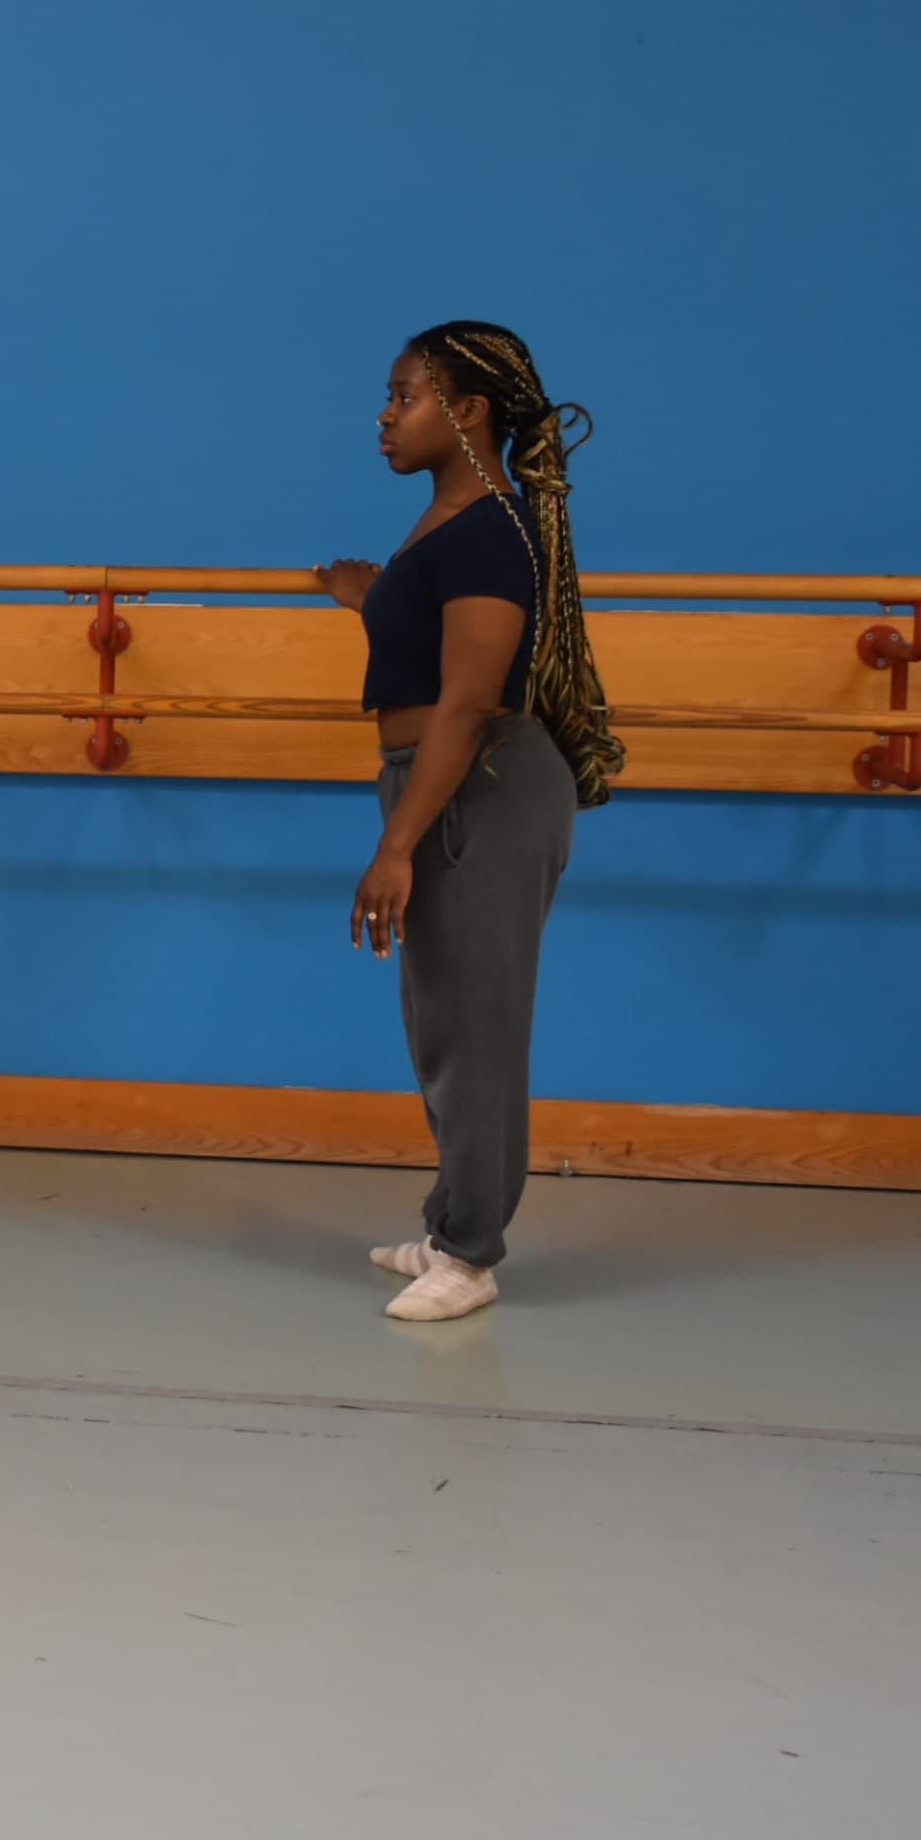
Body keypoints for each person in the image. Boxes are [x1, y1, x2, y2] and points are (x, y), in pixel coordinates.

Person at [311, 321, 624, 1323]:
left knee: (477, 1027)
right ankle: (453, 1222)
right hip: (436, 781)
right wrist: (371, 594)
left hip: (474, 787)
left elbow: (466, 699)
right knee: (441, 1018)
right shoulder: (449, 522)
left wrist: (396, 845)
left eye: (404, 396)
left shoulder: (490, 529)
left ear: (469, 410)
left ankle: (473, 1255)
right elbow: (428, 627)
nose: (384, 416)